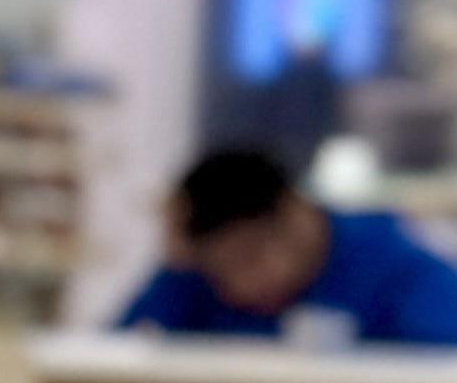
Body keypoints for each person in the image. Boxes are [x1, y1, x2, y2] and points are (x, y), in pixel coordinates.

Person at [116, 141, 457, 342]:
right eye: (218, 271)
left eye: (247, 257)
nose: (240, 287)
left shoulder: (395, 268)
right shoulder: (192, 276)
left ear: (294, 214)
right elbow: (115, 355)